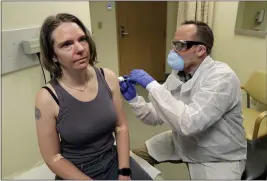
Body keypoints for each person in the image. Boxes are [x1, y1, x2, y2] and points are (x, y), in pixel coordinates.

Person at [119, 20, 247, 179]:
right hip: (183, 141)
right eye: (174, 44)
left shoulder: (221, 77)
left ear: (200, 50)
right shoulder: (178, 75)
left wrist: (152, 86)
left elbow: (190, 123)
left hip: (217, 154)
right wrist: (134, 100)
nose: (173, 51)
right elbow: (154, 116)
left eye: (180, 45)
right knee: (133, 159)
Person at [34, 12, 152, 180]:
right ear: (53, 55)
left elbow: (121, 126)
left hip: (113, 160)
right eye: (67, 44)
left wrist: (124, 172)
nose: (80, 49)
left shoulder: (108, 78)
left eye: (82, 39)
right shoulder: (47, 98)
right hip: (77, 171)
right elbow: (53, 158)